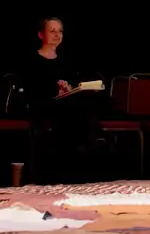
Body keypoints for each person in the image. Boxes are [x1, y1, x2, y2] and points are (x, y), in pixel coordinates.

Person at [22, 16, 108, 180]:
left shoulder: (65, 62)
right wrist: (55, 92)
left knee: (83, 105)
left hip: (64, 104)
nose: (57, 34)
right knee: (75, 110)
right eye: (52, 31)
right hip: (42, 104)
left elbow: (71, 84)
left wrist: (68, 88)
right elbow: (31, 89)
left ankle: (91, 146)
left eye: (60, 31)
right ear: (41, 35)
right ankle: (92, 142)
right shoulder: (32, 60)